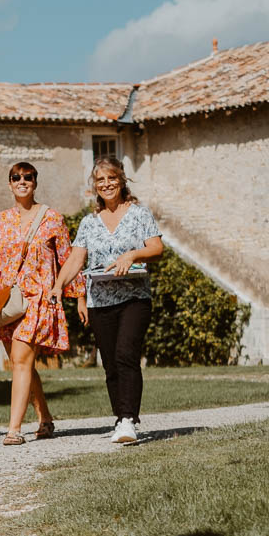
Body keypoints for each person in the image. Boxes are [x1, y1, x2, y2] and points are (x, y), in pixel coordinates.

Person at [0, 162, 82, 445]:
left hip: (38, 298)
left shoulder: (52, 218)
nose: (22, 181)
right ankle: (46, 418)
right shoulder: (1, 220)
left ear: (35, 182)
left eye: (28, 177)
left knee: (23, 359)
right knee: (20, 362)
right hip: (8, 302)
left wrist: (79, 296)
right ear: (10, 184)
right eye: (16, 178)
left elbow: (68, 259)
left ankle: (13, 429)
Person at [50, 155, 164, 444]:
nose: (107, 184)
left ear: (122, 180)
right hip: (100, 301)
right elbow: (76, 258)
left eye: (112, 178)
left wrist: (132, 255)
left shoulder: (139, 214)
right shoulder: (89, 222)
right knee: (111, 363)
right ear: (95, 186)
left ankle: (128, 420)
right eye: (101, 180)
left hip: (134, 297)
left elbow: (156, 247)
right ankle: (120, 417)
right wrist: (58, 286)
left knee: (127, 355)